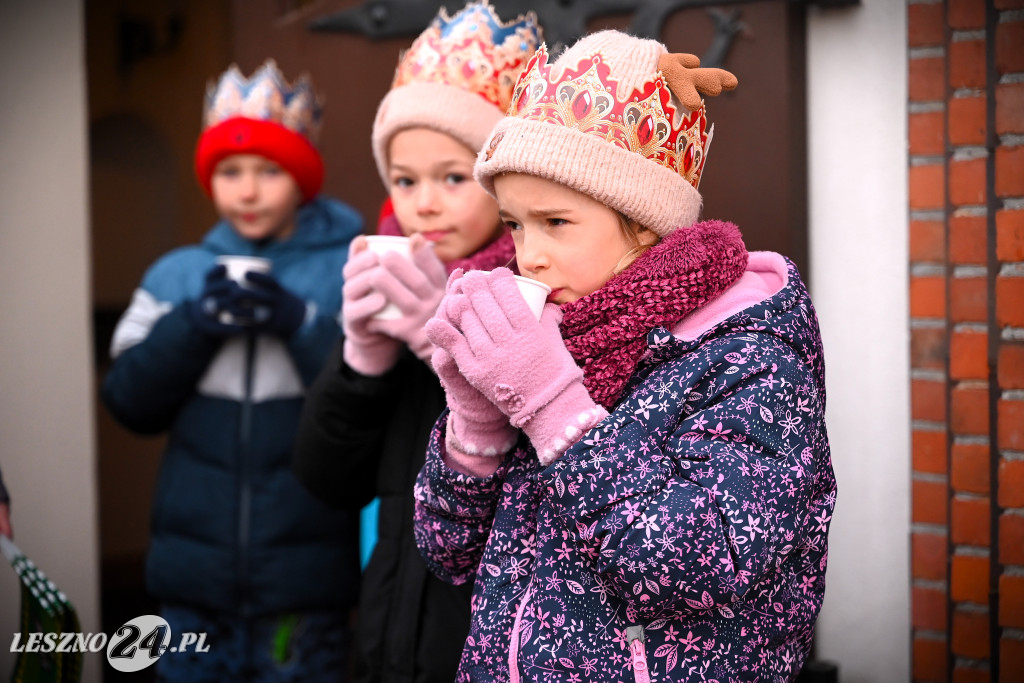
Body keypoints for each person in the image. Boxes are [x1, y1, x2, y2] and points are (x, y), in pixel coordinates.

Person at [414, 30, 837, 682]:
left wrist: (553, 403)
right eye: (515, 224)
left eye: (556, 222)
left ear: (644, 221)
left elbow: (704, 564)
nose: (529, 254)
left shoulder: (750, 359)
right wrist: (474, 423)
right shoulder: (560, 336)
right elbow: (449, 554)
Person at [290, 4, 541, 682]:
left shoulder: (539, 292)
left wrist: (447, 337)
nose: (422, 203)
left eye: (453, 177)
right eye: (405, 180)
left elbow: (542, 466)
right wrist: (361, 363)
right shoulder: (393, 280)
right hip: (388, 634)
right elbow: (326, 478)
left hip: (490, 646)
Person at [101, 60, 362, 682]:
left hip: (305, 584)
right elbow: (128, 402)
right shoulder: (176, 275)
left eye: (269, 171)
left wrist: (299, 322)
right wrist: (190, 326)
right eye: (229, 172)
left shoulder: (346, 272)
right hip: (194, 582)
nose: (246, 191)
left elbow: (363, 408)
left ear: (301, 181)